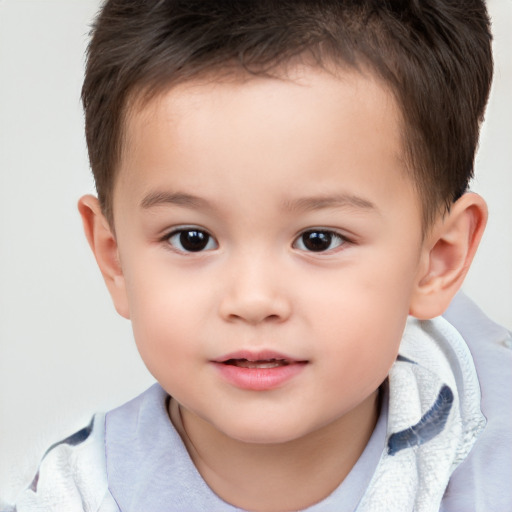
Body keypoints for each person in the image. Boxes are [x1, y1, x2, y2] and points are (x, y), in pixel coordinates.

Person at [8, 1, 512, 511]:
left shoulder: (491, 457)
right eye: (191, 239)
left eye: (318, 239)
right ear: (114, 258)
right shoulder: (73, 497)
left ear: (437, 260)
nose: (252, 300)